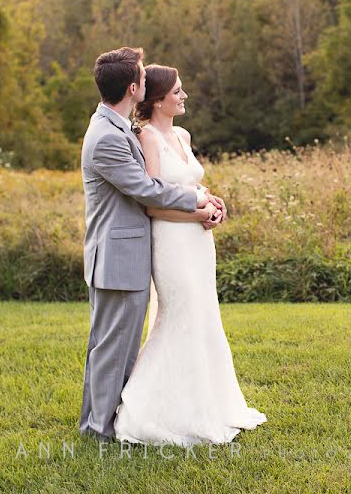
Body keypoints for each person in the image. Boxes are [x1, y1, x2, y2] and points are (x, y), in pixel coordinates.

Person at [113, 63, 267, 446]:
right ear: (159, 101)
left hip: (199, 243)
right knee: (176, 317)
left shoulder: (182, 134)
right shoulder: (147, 138)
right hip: (171, 242)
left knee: (203, 317)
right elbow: (151, 203)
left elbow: (191, 182)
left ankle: (207, 404)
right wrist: (197, 212)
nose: (184, 97)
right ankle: (141, 407)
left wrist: (214, 203)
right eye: (177, 92)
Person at [79, 47, 222, 442]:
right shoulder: (107, 136)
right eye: (142, 77)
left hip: (128, 253)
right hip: (117, 257)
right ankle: (98, 430)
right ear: (133, 87)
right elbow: (145, 189)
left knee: (117, 349)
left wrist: (199, 194)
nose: (146, 81)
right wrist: (196, 200)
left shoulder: (118, 126)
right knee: (111, 350)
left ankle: (102, 424)